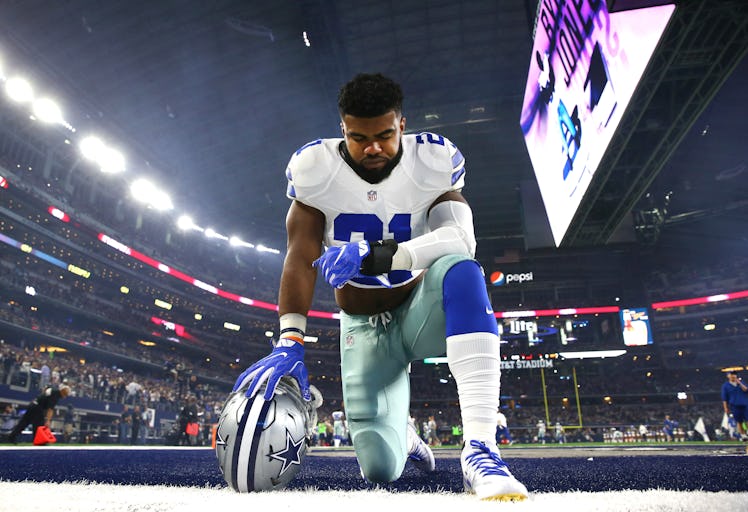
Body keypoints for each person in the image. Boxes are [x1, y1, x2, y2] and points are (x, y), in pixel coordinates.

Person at [233, 73, 527, 501]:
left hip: (418, 308)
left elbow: (461, 240)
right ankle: (402, 436)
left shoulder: (432, 160)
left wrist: (378, 255)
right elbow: (299, 255)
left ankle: (481, 449)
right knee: (379, 470)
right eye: (359, 137)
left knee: (463, 268)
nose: (373, 147)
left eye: (385, 135)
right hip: (363, 322)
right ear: (343, 131)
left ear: (402, 125)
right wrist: (289, 338)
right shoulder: (315, 170)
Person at [3, 384, 70, 443]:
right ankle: (38, 440)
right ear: (62, 391)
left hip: (33, 404)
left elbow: (45, 389)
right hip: (38, 407)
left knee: (24, 422)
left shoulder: (53, 389)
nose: (65, 397)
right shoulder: (56, 395)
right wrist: (48, 420)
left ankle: (12, 437)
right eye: (65, 394)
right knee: (39, 424)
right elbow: (50, 409)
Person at [721, 371, 748, 441]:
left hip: (745, 404)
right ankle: (743, 435)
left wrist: (739, 383)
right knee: (739, 421)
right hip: (735, 405)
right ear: (728, 376)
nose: (733, 376)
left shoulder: (741, 382)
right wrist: (725, 408)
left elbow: (746, 389)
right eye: (731, 375)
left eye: (734, 375)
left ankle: (746, 432)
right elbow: (724, 398)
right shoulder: (725, 386)